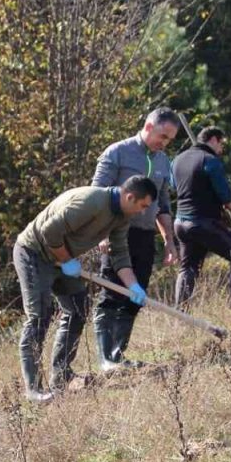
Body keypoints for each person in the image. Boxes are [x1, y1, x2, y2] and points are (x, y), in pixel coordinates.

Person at [13, 176, 158, 401]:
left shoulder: (122, 217)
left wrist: (133, 286)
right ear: (130, 197)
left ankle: (61, 375)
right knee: (40, 316)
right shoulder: (92, 201)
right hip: (34, 253)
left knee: (78, 308)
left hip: (63, 258)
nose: (142, 212)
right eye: (143, 206)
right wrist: (66, 261)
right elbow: (49, 231)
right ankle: (33, 389)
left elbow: (119, 254)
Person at [91, 108, 179, 370]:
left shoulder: (163, 161)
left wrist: (169, 242)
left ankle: (119, 355)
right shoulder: (117, 152)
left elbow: (163, 205)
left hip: (144, 237)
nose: (164, 143)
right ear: (149, 127)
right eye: (162, 136)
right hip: (116, 234)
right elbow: (96, 196)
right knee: (112, 294)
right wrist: (102, 233)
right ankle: (105, 359)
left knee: (136, 295)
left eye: (169, 140)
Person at [172, 127, 231, 308]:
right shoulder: (210, 160)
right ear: (213, 139)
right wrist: (228, 202)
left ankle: (181, 310)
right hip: (202, 222)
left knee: (187, 268)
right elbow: (224, 194)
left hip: (180, 223)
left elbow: (174, 185)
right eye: (221, 143)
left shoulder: (177, 160)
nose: (221, 149)